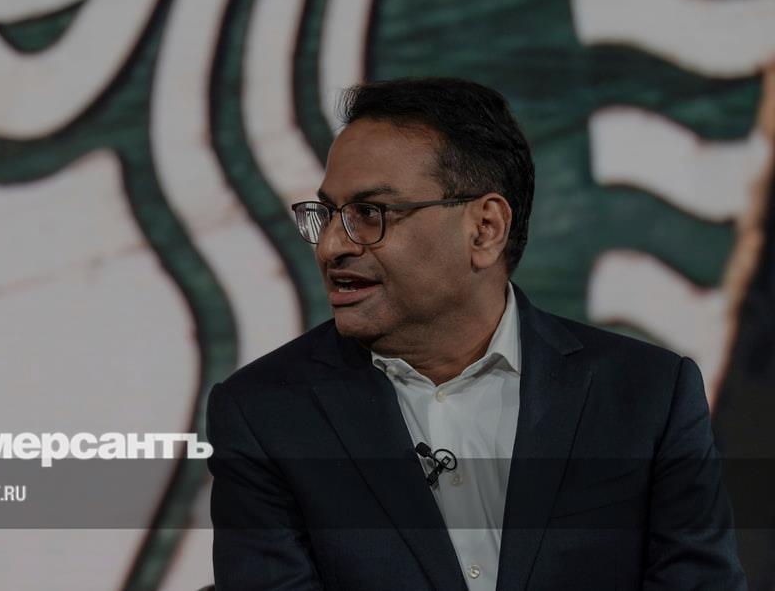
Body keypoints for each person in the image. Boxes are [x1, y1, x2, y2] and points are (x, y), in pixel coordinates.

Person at [206, 77, 746, 590]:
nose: (331, 246)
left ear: (485, 229)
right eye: (327, 214)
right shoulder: (263, 415)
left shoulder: (649, 395)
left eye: (370, 213)